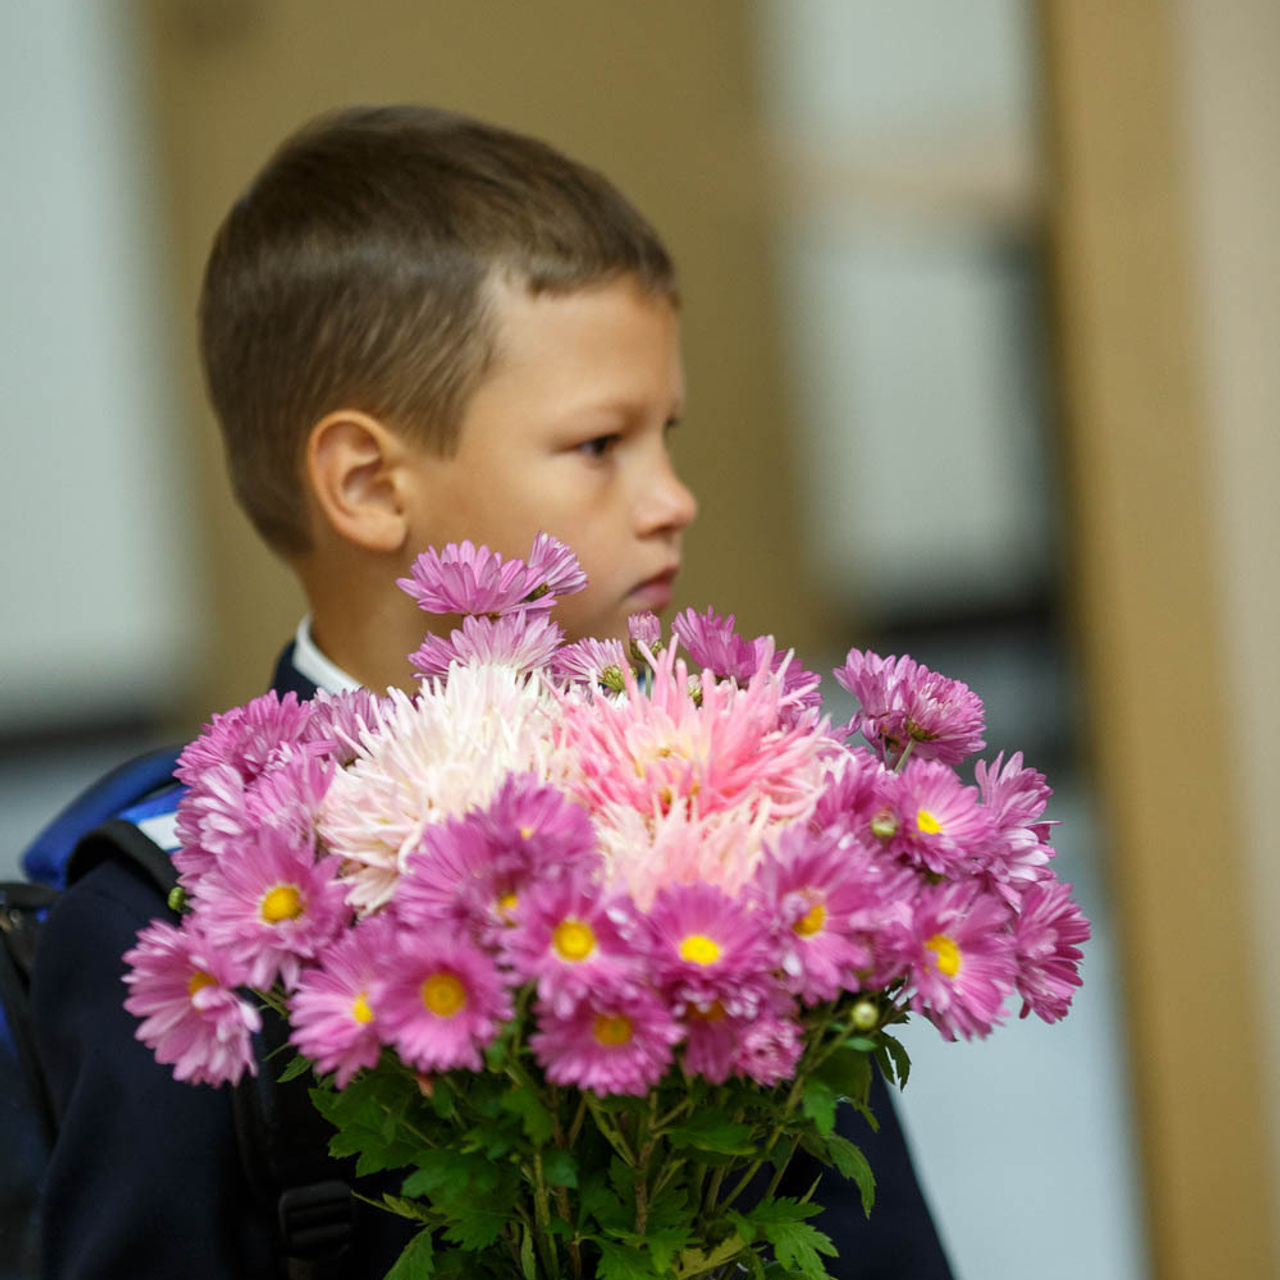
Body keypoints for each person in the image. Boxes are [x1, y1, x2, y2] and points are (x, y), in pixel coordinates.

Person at [31, 104, 953, 1279]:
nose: (672, 497)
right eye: (598, 443)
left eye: (664, 433)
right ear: (367, 483)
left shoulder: (739, 829)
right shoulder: (178, 915)